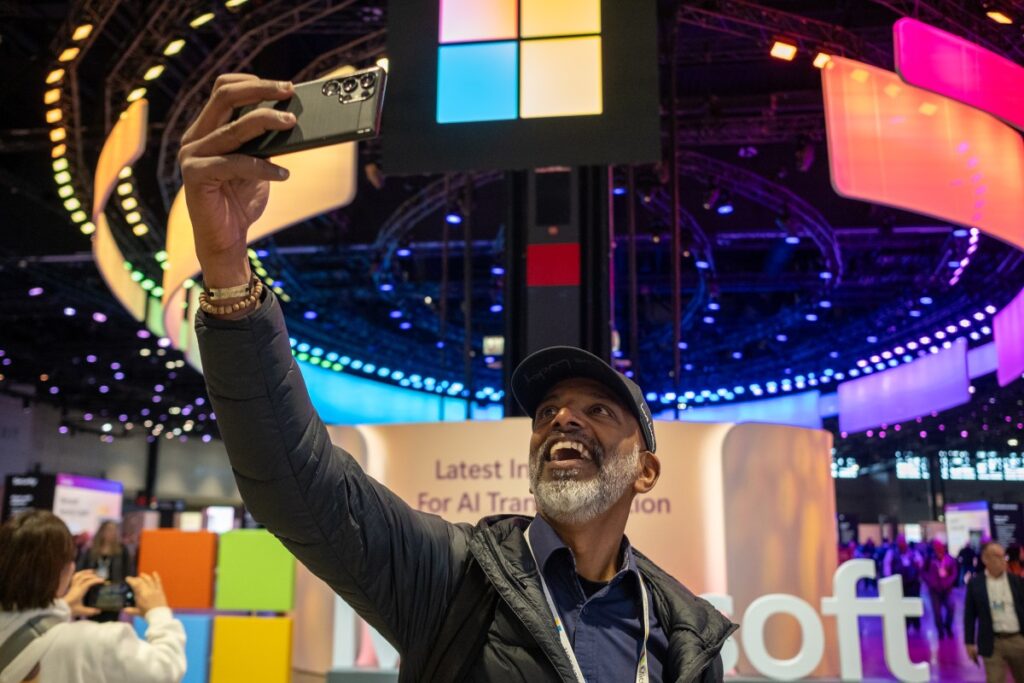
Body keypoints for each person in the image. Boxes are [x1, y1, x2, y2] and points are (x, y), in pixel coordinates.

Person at [180, 74, 736, 681]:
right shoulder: (455, 576)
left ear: (646, 471)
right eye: (547, 410)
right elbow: (295, 479)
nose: (562, 418)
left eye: (599, 410)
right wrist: (227, 266)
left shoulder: (684, 631)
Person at [0, 510, 186, 683]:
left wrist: (62, 606)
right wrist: (159, 612)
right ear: (66, 570)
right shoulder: (99, 642)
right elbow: (165, 668)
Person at [964, 541, 1024, 683]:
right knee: (994, 679)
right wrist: (969, 642)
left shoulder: (1016, 581)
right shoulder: (975, 584)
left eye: (1003, 556)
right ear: (985, 559)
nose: (1002, 560)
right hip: (992, 641)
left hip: (1017, 639)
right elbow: (969, 615)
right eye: (996, 556)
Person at [76, 521, 135, 623]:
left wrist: (128, 591)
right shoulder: (91, 550)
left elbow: (128, 571)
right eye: (108, 530)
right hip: (94, 591)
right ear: (101, 532)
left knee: (111, 621)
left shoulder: (121, 550)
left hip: (114, 591)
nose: (110, 533)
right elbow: (82, 569)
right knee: (93, 620)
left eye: (113, 530)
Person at [884, 535, 923, 631]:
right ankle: (905, 623)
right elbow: (887, 567)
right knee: (901, 603)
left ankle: (915, 622)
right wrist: (890, 580)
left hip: (913, 583)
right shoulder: (892, 553)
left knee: (913, 602)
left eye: (903, 542)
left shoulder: (913, 553)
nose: (902, 544)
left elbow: (920, 563)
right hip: (899, 584)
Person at [923, 540, 957, 639]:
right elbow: (923, 572)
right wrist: (930, 582)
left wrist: (948, 582)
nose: (939, 551)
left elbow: (954, 573)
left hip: (947, 589)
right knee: (937, 612)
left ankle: (948, 626)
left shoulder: (950, 560)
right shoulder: (929, 560)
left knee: (951, 607)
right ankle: (940, 631)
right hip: (934, 590)